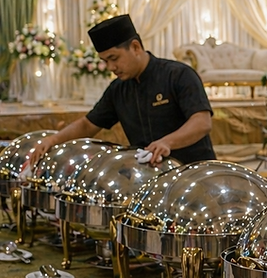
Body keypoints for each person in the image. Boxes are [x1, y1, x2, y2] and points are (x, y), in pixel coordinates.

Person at [30, 15, 215, 166]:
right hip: (152, 177)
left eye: (114, 58)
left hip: (193, 174)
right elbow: (88, 125)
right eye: (105, 61)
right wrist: (52, 140)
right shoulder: (118, 89)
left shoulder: (178, 75)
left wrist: (167, 142)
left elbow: (202, 122)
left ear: (135, 47)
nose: (110, 67)